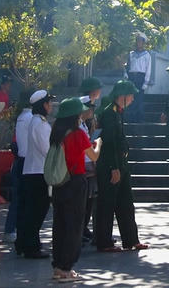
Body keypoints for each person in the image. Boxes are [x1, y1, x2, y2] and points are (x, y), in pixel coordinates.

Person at [51, 97, 99, 283]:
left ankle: (57, 266)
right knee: (74, 225)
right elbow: (93, 155)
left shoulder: (56, 132)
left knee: (60, 224)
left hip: (59, 182)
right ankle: (66, 267)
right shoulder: (78, 133)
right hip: (76, 181)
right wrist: (99, 143)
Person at [95, 80, 147, 252]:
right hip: (111, 165)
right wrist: (114, 167)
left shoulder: (118, 112)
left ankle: (131, 239)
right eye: (131, 95)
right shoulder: (109, 114)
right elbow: (109, 143)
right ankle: (104, 242)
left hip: (121, 164)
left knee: (126, 203)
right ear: (123, 96)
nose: (133, 98)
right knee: (107, 204)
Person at [16, 90, 54, 259]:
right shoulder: (41, 124)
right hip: (38, 172)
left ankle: (25, 242)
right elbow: (48, 150)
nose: (50, 105)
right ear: (43, 105)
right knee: (36, 211)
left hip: (33, 171)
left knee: (31, 210)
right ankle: (31, 246)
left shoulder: (36, 121)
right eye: (48, 103)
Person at [4, 89, 33, 244]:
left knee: (18, 199)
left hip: (19, 161)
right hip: (25, 161)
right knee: (21, 199)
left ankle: (12, 229)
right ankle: (12, 229)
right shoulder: (30, 117)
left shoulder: (22, 116)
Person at [77, 78, 102, 244]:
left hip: (88, 166)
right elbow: (92, 154)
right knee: (82, 203)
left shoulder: (84, 125)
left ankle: (83, 229)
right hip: (82, 167)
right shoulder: (79, 127)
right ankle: (79, 231)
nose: (92, 111)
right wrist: (98, 144)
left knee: (88, 201)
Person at [125, 33, 152, 122]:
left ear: (143, 43)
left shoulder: (147, 55)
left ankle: (139, 119)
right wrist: (126, 76)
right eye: (137, 41)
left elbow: (148, 69)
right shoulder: (131, 54)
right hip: (132, 77)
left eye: (141, 41)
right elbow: (127, 66)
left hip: (141, 78)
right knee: (130, 98)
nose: (139, 43)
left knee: (139, 99)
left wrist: (146, 82)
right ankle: (130, 118)